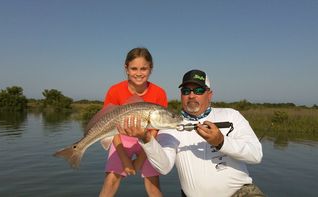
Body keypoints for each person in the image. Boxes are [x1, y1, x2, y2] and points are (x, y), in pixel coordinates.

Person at [118, 69, 265, 197]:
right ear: (181, 95)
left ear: (210, 94)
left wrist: (221, 142)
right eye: (186, 91)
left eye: (199, 90)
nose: (192, 95)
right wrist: (146, 138)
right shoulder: (169, 125)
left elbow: (256, 155)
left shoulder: (231, 115)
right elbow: (163, 167)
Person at [99, 47, 168, 197]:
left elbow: (155, 130)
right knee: (111, 179)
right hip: (120, 139)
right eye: (134, 68)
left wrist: (139, 160)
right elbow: (109, 127)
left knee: (153, 182)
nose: (138, 73)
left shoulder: (159, 93)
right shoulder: (115, 91)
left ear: (151, 69)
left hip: (149, 138)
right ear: (126, 68)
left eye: (143, 68)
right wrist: (125, 159)